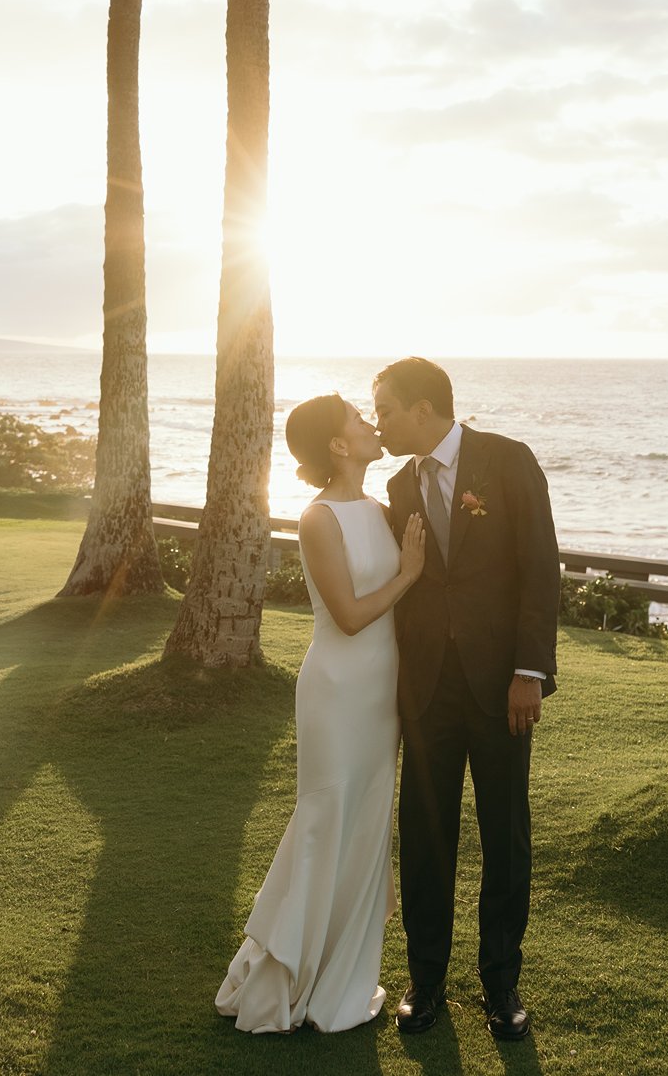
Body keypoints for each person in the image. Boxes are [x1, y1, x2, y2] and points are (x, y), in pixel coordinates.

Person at [215, 393, 426, 1034]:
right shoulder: (318, 518)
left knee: (365, 822)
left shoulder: (382, 510)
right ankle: (283, 973)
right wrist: (411, 572)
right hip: (337, 691)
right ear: (338, 444)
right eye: (360, 420)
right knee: (325, 817)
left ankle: (343, 975)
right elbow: (353, 615)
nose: (370, 424)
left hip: (381, 693)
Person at [374, 357, 560, 1042]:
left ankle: (501, 982)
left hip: (499, 685)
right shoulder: (397, 485)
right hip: (426, 689)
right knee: (425, 837)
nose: (378, 422)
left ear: (424, 409)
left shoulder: (508, 463)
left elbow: (540, 569)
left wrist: (527, 671)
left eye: (386, 409)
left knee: (505, 834)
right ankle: (424, 983)